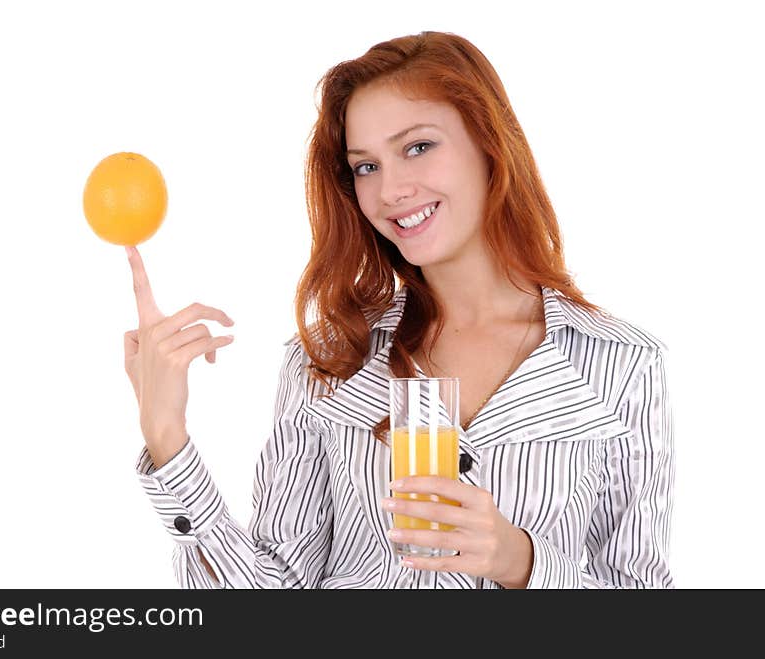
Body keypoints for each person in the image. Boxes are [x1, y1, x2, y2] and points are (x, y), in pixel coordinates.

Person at [122, 31, 674, 589]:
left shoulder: (622, 365)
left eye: (417, 147)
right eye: (366, 167)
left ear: (489, 145)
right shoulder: (330, 363)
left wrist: (521, 562)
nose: (390, 190)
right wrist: (167, 436)